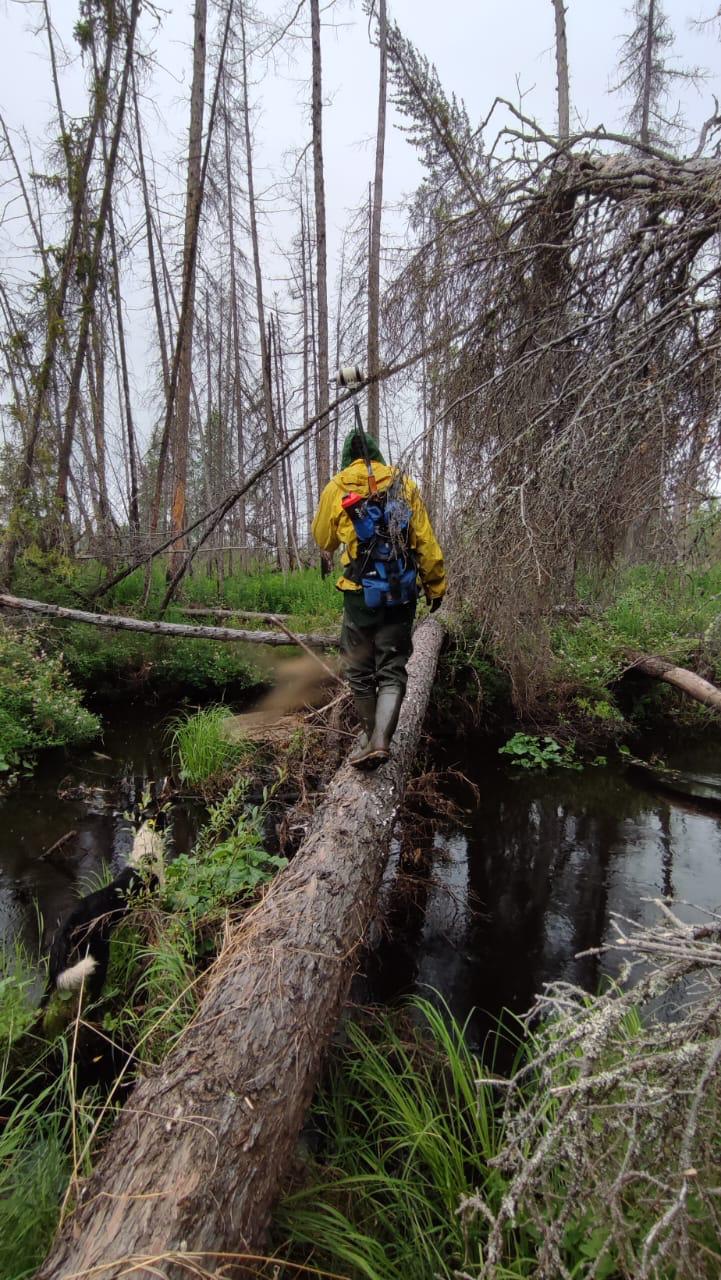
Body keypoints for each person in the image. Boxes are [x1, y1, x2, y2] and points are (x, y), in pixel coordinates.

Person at [312, 428, 446, 769]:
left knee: (359, 670)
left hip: (360, 596)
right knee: (392, 669)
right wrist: (436, 587)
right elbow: (425, 543)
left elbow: (323, 541)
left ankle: (372, 738)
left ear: (347, 457)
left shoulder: (338, 485)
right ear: (377, 454)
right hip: (401, 594)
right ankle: (382, 741)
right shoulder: (403, 484)